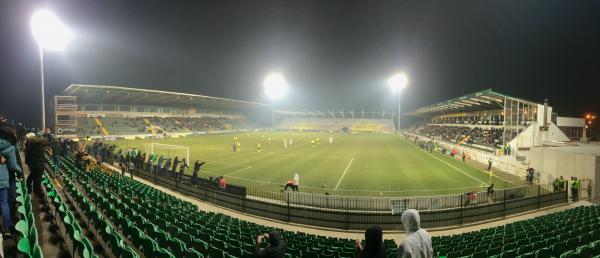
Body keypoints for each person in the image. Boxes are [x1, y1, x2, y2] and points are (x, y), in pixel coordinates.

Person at [0, 135, 22, 238]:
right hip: (3, 178)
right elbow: (12, 165)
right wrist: (20, 171)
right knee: (4, 203)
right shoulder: (10, 148)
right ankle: (7, 227)